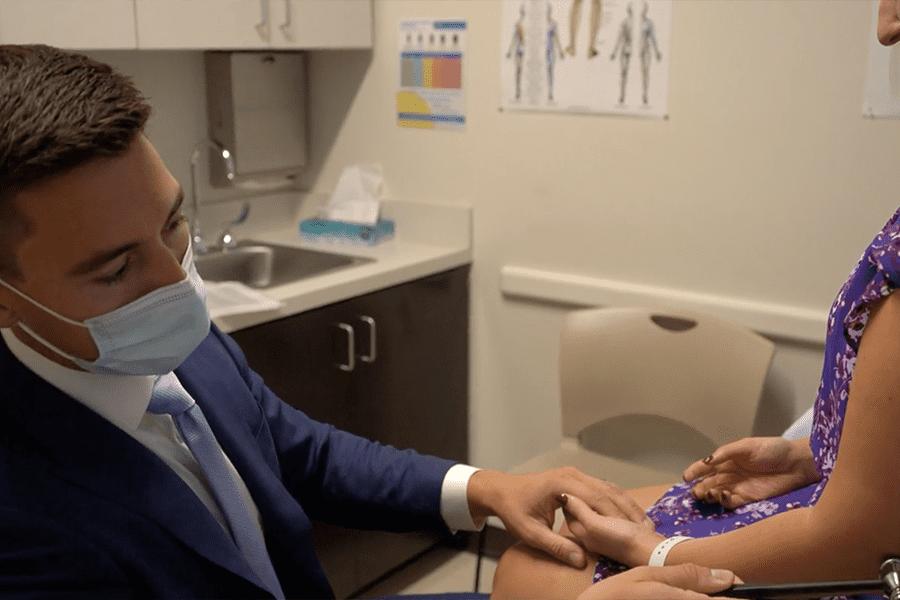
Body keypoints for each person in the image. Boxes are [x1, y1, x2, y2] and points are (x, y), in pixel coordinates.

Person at [0, 44, 659, 599]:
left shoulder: (177, 339)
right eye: (116, 271)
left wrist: (487, 488)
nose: (177, 284)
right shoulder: (24, 528)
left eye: (173, 222)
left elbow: (298, 452)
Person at [491, 1, 900, 598]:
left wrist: (658, 552)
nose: (886, 24)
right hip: (838, 511)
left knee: (530, 574)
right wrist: (816, 454)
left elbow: (862, 538)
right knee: (554, 541)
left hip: (858, 563)